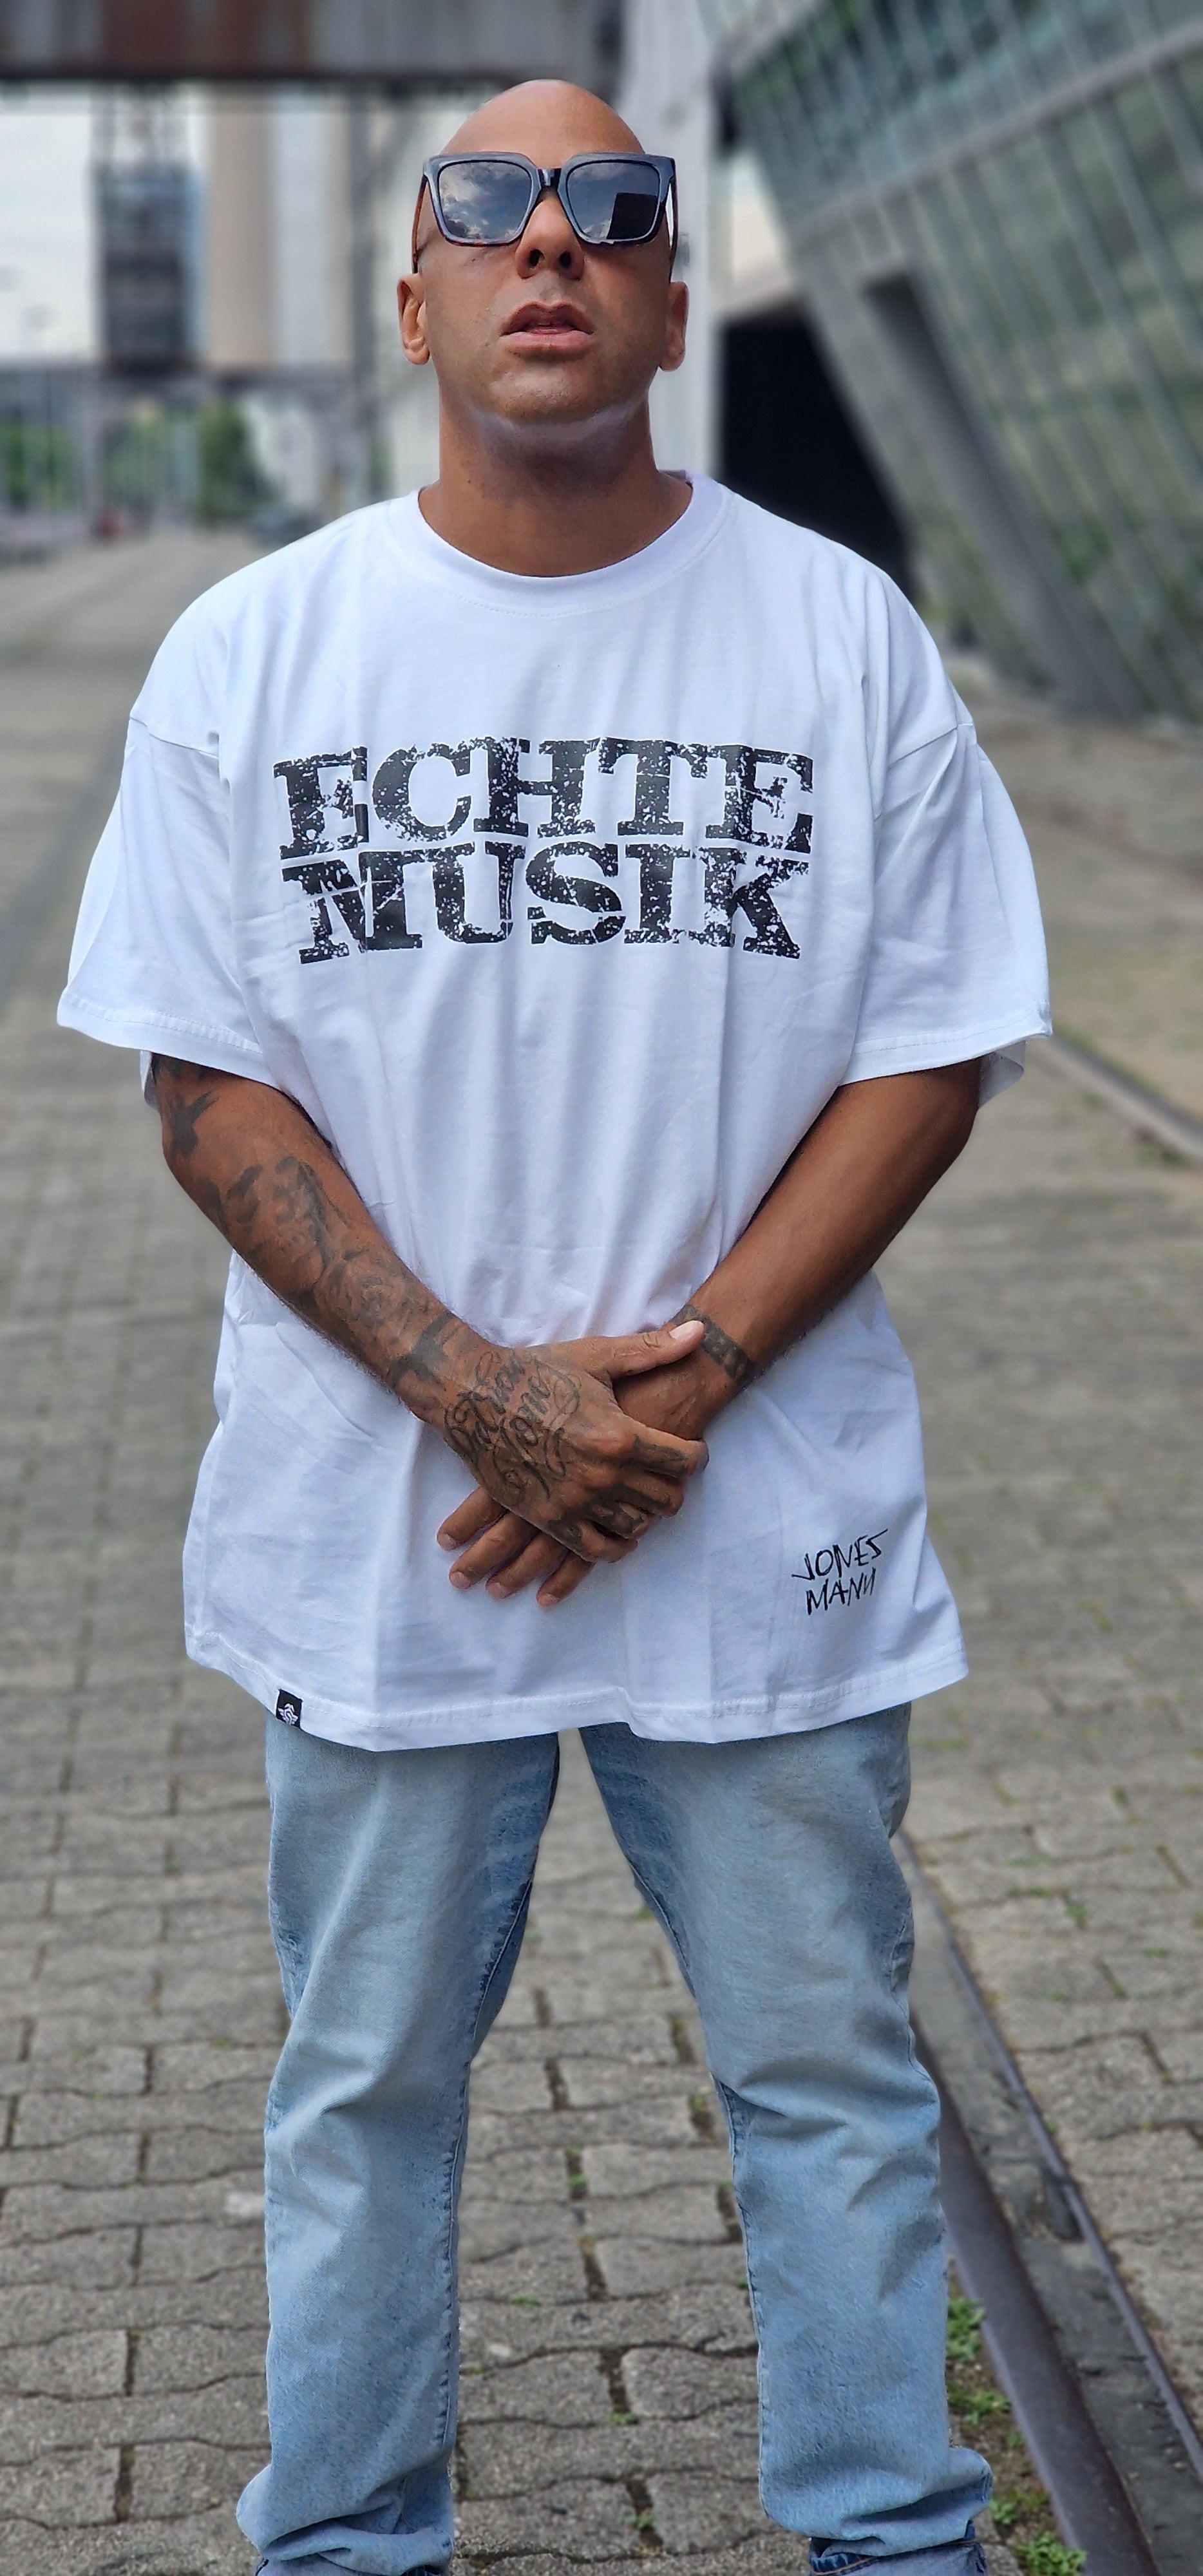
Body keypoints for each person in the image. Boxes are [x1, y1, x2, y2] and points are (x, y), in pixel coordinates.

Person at [59, 76, 1049, 2576]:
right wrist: (473, 1390)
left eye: (607, 210)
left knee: (829, 2085)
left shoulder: (834, 633)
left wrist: (680, 1375)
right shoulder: (253, 652)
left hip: (757, 1517)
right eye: (484, 209)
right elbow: (202, 1082)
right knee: (363, 2093)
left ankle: (889, 2539)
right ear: (410, 296)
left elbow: (931, 1046)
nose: (546, 246)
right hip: (388, 1538)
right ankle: (347, 2541)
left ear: (667, 302)